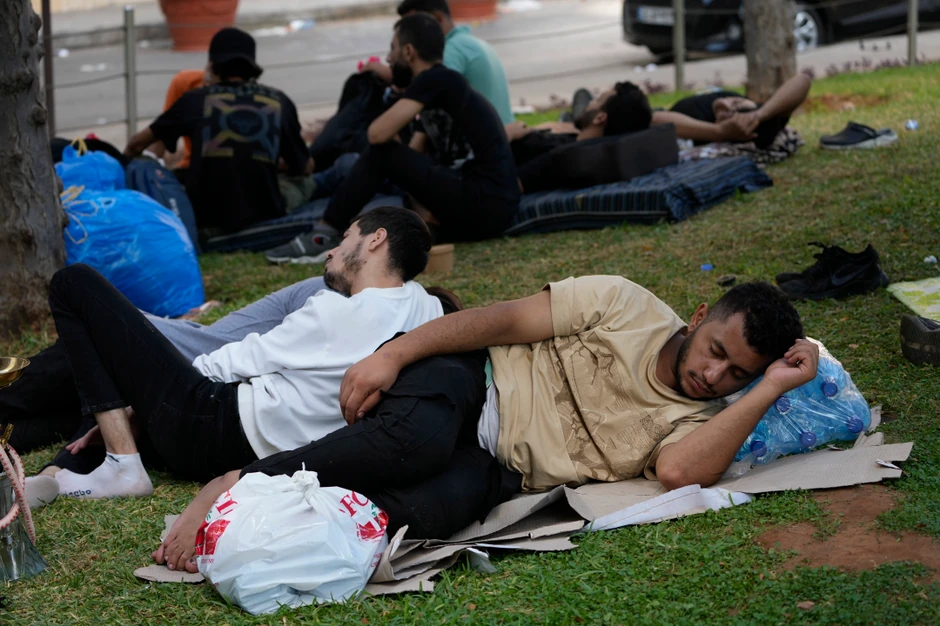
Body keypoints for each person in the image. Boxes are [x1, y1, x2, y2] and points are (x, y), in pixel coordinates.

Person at [154, 278, 817, 571]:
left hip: (503, 467)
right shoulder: (625, 305)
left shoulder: (703, 420)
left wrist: (773, 387)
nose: (715, 375)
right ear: (699, 316)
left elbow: (677, 473)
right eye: (717, 351)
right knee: (414, 441)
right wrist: (396, 352)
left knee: (426, 515)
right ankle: (236, 482)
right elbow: (503, 320)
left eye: (739, 374)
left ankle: (255, 534)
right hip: (472, 376)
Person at [44, 208, 444, 501]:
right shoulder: (427, 309)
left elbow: (223, 364)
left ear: (375, 240)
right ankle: (54, 475)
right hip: (257, 449)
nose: (331, 252)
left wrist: (140, 407)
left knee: (73, 284)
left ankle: (122, 465)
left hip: (212, 424)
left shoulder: (335, 310)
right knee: (93, 393)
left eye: (345, 239)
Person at [264, 14, 519, 264]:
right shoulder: (442, 89)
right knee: (389, 161)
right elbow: (410, 160)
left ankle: (324, 233)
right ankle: (422, 227)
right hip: (485, 206)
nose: (388, 57)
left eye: (393, 48)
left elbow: (377, 136)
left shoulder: (438, 78)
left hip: (486, 204)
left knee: (380, 152)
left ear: (408, 52)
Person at [123, 28, 314, 237]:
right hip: (264, 214)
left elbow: (137, 144)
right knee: (308, 182)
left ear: (212, 64)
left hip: (204, 218)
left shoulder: (194, 100)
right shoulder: (279, 101)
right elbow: (304, 168)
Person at [359, 0, 514, 125]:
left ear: (438, 19)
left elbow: (428, 88)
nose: (405, 34)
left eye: (414, 25)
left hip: (490, 143)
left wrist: (386, 72)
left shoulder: (452, 50)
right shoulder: (468, 42)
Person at [509, 82, 654, 193]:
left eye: (597, 100)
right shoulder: (584, 146)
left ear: (600, 118)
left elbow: (507, 187)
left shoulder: (561, 155)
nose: (590, 102)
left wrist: (508, 133)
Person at [653, 73, 812, 148]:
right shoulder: (764, 113)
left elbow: (654, 119)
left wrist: (719, 131)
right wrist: (761, 114)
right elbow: (803, 80)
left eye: (729, 114)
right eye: (736, 101)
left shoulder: (705, 127)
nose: (726, 104)